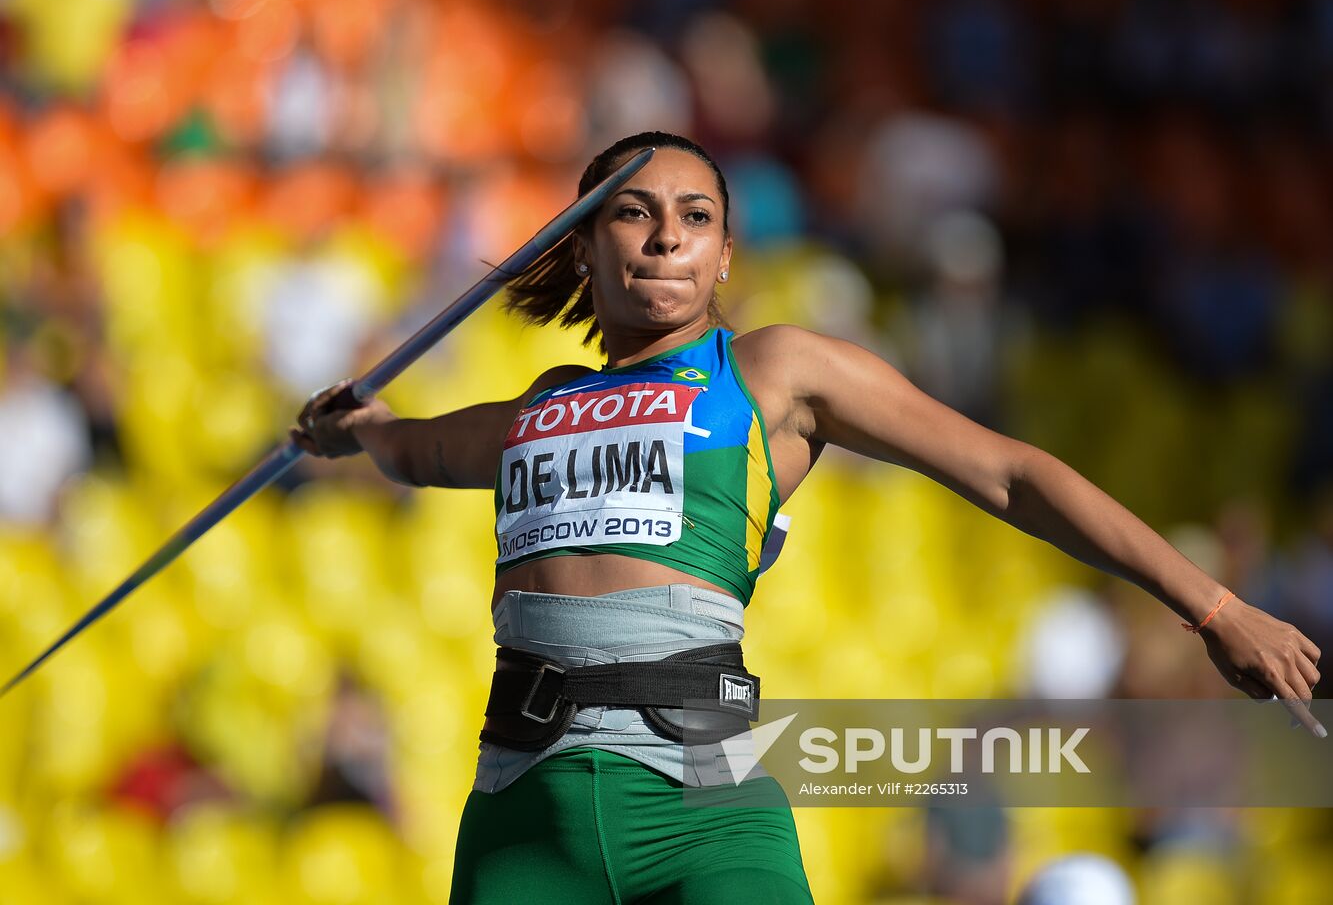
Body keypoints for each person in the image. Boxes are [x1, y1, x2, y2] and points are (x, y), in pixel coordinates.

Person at [289, 130, 1323, 904]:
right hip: (521, 812)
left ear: (726, 256)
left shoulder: (772, 372)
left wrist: (1213, 604)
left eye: (696, 217)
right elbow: (420, 450)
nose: (665, 236)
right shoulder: (534, 408)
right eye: (633, 210)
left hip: (698, 805)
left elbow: (1009, 473)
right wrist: (358, 430)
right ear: (581, 241)